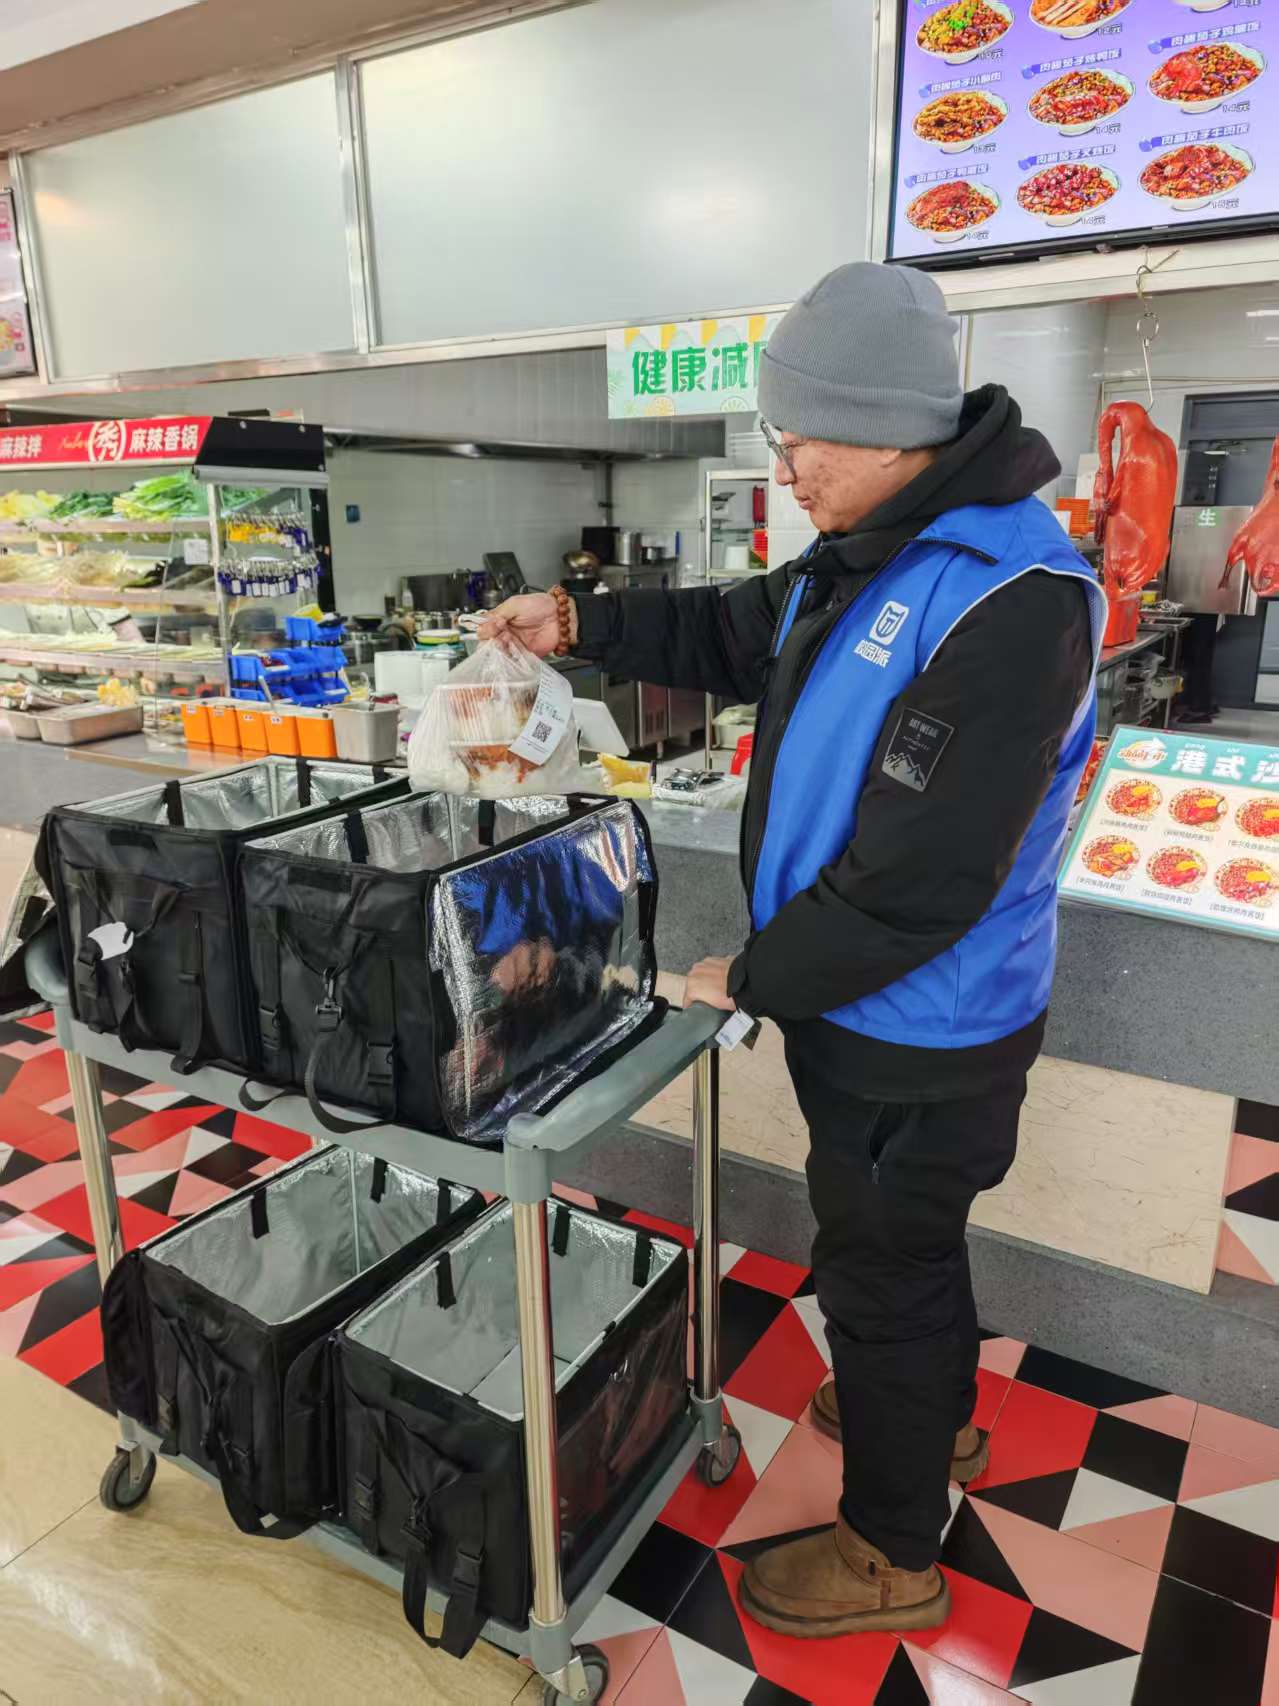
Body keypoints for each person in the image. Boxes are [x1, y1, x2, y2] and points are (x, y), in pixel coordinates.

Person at [480, 261, 1105, 1640]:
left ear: (886, 428)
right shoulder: (873, 545)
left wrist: (753, 977)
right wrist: (578, 623)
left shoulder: (1011, 598)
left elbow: (916, 883)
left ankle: (891, 1551)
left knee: (880, 1274)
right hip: (877, 1012)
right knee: (906, 1247)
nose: (785, 465)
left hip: (924, 1026)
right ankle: (931, 1418)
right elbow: (730, 628)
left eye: (801, 436)